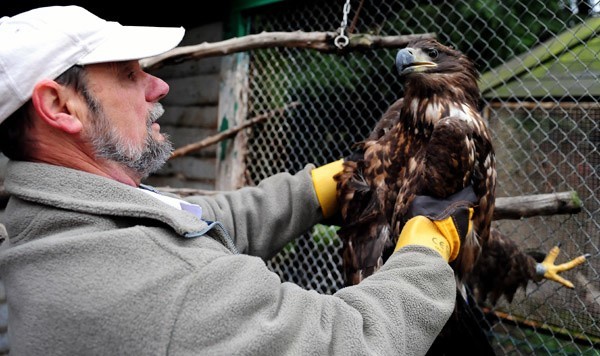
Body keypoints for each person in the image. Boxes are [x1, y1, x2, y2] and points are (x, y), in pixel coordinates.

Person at [0, 5, 476, 355]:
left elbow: (194, 220)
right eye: (129, 74)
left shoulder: (49, 219)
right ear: (61, 107)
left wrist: (313, 189)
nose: (158, 85)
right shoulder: (159, 291)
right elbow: (349, 341)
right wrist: (424, 254)